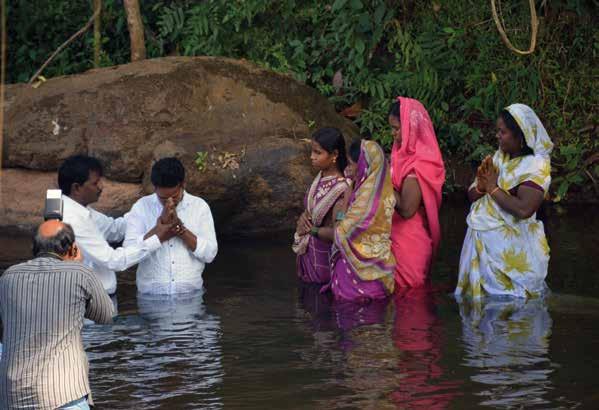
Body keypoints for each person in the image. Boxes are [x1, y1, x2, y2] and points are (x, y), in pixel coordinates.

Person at [0, 220, 114, 410]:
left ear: (33, 247)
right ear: (72, 249)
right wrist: (76, 267)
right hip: (64, 395)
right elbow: (106, 315)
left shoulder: (8, 277)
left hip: (12, 396)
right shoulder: (80, 272)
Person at [455, 103, 553, 299]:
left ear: (521, 136)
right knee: (480, 308)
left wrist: (492, 188)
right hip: (484, 243)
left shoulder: (535, 167)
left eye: (503, 132)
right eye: (498, 131)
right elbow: (473, 194)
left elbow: (524, 209)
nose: (498, 136)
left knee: (514, 306)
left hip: (512, 252)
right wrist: (482, 187)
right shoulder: (500, 157)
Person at [59, 155, 173, 294]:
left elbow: (115, 229)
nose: (101, 187)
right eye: (95, 183)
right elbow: (114, 261)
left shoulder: (80, 210)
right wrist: (157, 237)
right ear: (76, 188)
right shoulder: (72, 221)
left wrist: (146, 208)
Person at [124, 157, 218, 294]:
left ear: (183, 185)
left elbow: (209, 254)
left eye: (174, 197)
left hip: (191, 298)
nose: (169, 202)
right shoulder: (141, 207)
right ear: (154, 188)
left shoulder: (199, 207)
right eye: (162, 198)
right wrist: (159, 230)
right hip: (150, 298)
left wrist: (181, 231)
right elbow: (128, 254)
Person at [323, 139, 396, 302]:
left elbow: (340, 234)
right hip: (378, 273)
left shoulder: (367, 200)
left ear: (363, 165)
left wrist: (315, 230)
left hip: (360, 283)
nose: (348, 168)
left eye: (351, 163)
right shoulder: (381, 189)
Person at [389, 97, 445, 288]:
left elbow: (406, 209)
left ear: (411, 127)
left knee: (410, 305)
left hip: (409, 243)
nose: (393, 134)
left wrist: (380, 178)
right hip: (391, 235)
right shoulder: (399, 154)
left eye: (397, 129)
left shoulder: (421, 163)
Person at [293, 127, 350, 284]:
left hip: (323, 263)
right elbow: (311, 210)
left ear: (334, 155)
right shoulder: (320, 176)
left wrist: (311, 230)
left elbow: (339, 234)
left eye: (318, 153)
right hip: (308, 255)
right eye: (312, 151)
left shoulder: (343, 190)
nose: (312, 157)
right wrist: (303, 218)